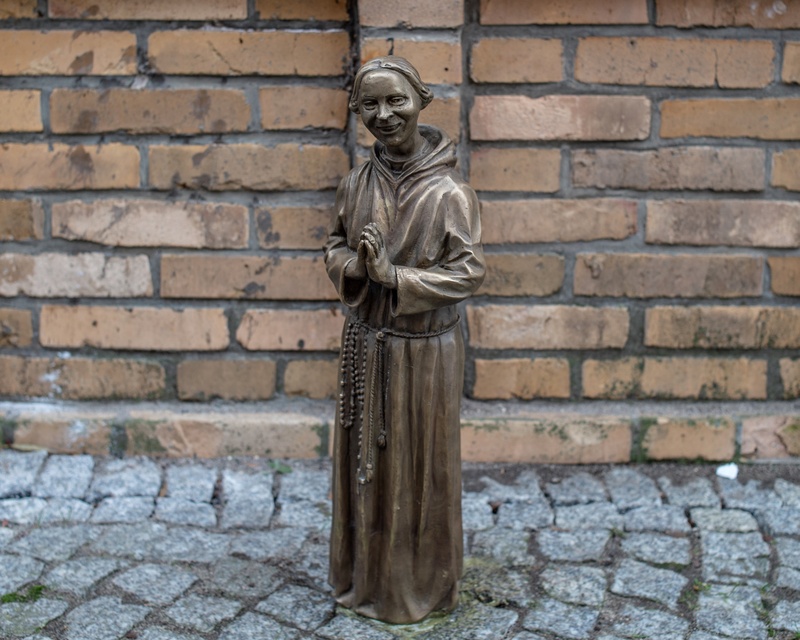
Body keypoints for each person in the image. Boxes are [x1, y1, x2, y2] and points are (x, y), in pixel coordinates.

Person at [324, 56, 485, 625]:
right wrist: (356, 267)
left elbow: (468, 273)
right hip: (366, 345)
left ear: (421, 101)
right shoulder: (355, 184)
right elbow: (334, 245)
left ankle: (419, 587)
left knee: (420, 473)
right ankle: (365, 580)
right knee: (365, 467)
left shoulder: (450, 192)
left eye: (396, 100)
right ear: (357, 111)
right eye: (370, 104)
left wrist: (396, 277)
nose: (384, 114)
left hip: (426, 351)